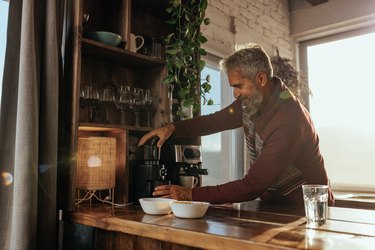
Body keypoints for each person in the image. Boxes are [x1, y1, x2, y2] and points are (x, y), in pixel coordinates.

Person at [138, 44, 334, 206]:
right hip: (272, 203)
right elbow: (213, 121)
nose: (235, 95)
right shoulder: (250, 103)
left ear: (261, 79)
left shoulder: (289, 121)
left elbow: (251, 186)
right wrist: (173, 128)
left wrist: (189, 194)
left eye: (239, 86)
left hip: (307, 209)